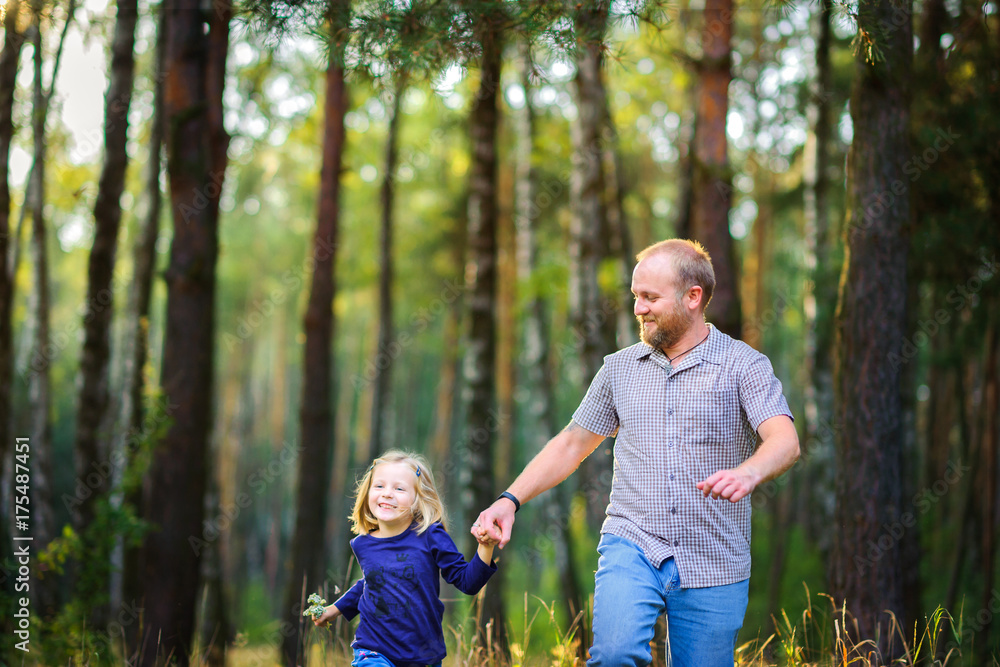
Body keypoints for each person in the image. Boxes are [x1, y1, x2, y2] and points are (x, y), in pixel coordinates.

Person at [473, 239, 800, 667]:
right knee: (613, 655)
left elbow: (784, 440)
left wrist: (749, 473)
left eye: (650, 297)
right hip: (633, 541)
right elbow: (572, 442)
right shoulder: (619, 368)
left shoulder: (744, 365)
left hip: (714, 556)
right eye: (635, 297)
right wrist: (509, 499)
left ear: (693, 297)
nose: (639, 308)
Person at [315, 450, 498, 667]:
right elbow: (371, 583)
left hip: (422, 655)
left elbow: (467, 582)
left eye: (399, 488)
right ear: (368, 492)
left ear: (418, 499)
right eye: (379, 486)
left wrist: (485, 546)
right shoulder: (364, 543)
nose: (387, 493)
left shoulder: (431, 536)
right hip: (373, 650)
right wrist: (335, 609)